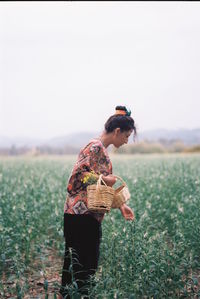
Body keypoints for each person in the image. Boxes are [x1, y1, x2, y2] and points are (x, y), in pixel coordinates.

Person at [58, 105, 137, 298]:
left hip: (86, 217)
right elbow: (76, 178)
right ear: (117, 131)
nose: (126, 141)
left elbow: (101, 186)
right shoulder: (95, 147)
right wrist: (102, 179)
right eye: (126, 136)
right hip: (80, 217)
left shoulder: (100, 149)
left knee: (78, 265)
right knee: (82, 267)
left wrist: (122, 205)